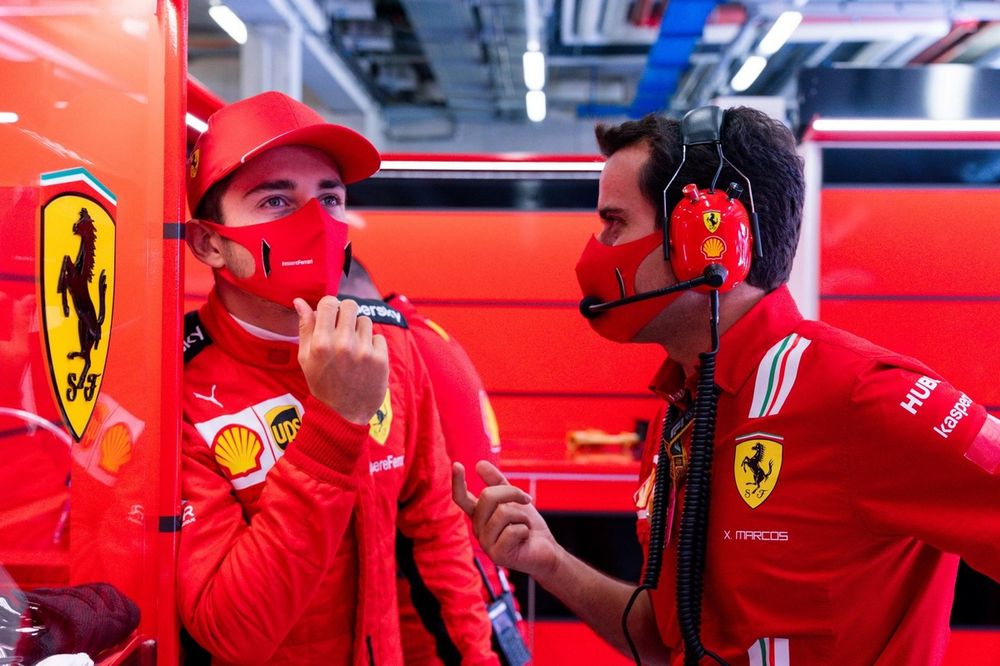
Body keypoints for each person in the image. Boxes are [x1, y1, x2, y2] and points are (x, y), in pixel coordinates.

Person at [452, 107, 1000, 665]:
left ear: (705, 238)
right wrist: (548, 561)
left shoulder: (862, 394)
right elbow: (671, 638)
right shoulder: (684, 412)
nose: (597, 248)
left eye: (615, 222)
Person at [179, 90, 496, 665]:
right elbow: (231, 630)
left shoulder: (388, 347)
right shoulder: (173, 387)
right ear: (210, 243)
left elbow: (436, 540)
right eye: (276, 200)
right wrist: (336, 419)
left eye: (330, 198)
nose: (315, 223)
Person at [338, 258, 523, 665]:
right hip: (479, 587)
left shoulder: (399, 354)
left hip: (457, 597)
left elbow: (429, 522)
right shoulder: (425, 334)